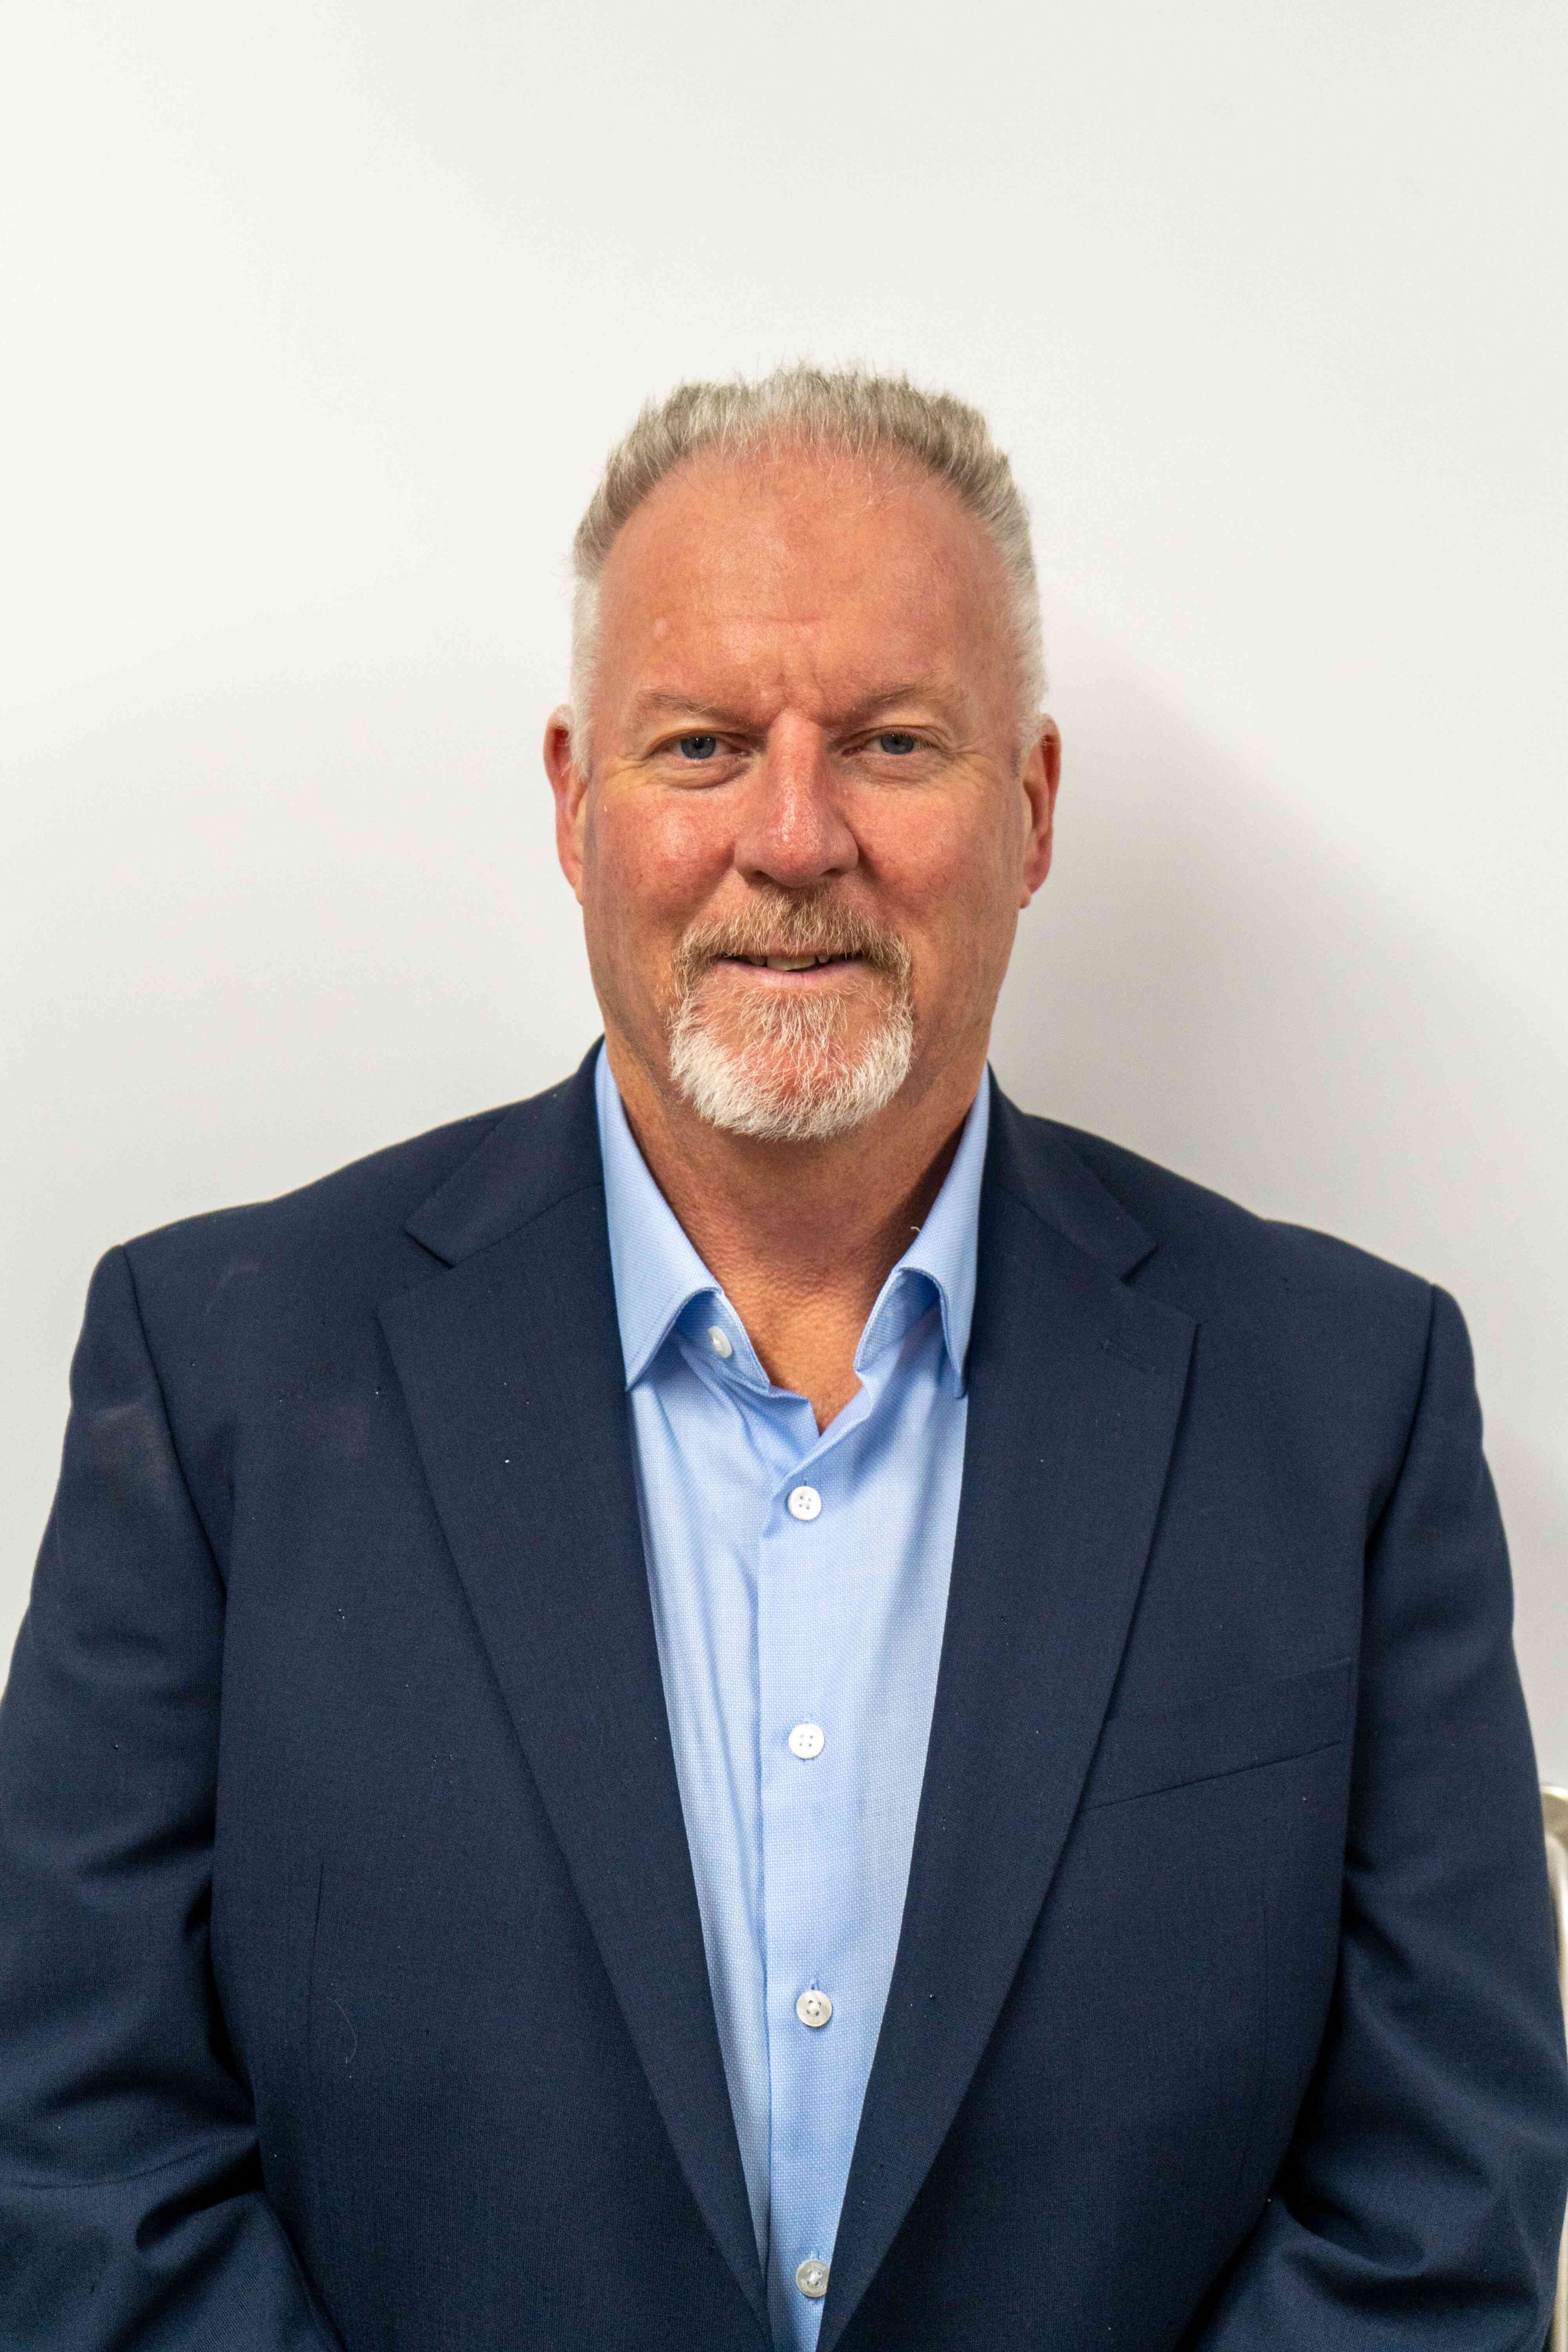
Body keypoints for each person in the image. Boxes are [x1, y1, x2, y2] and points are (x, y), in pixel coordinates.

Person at [1, 366, 1564, 2352]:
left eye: (894, 743)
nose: (793, 833)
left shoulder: (1344, 1404)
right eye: (705, 743)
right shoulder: (215, 1368)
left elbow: (1435, 2210)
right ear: (577, 803)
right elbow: (75, 2165)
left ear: (1031, 807)